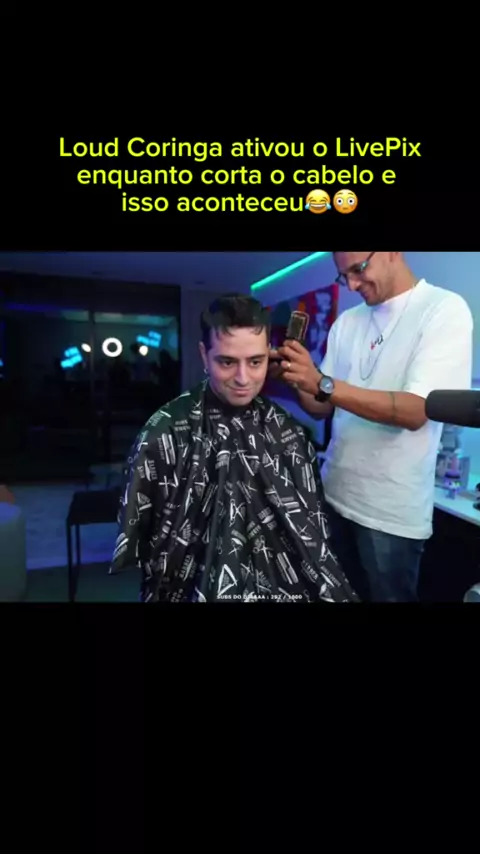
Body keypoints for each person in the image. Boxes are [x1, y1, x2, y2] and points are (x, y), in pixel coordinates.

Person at [109, 293, 359, 603]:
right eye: (227, 362)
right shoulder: (165, 432)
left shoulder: (288, 433)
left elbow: (312, 536)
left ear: (269, 355)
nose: (243, 379)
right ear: (204, 355)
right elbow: (148, 540)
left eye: (255, 362)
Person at [270, 251, 473, 603]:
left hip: (390, 516)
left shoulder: (443, 310)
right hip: (333, 497)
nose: (351, 285)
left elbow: (416, 410)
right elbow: (321, 407)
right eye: (343, 276)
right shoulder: (347, 322)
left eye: (359, 269)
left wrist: (322, 383)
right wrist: (295, 378)